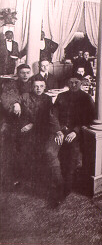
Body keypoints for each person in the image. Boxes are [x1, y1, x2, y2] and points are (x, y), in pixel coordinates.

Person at [19, 78, 65, 207]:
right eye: (35, 86)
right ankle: (35, 186)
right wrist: (16, 104)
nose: (38, 88)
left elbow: (49, 118)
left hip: (46, 131)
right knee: (29, 153)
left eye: (41, 86)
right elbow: (18, 107)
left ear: (45, 87)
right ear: (31, 87)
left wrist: (58, 131)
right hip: (31, 133)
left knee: (49, 153)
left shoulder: (47, 99)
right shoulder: (25, 96)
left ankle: (59, 189)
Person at [53, 73, 96, 198]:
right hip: (60, 131)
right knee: (52, 153)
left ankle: (66, 188)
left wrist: (75, 131)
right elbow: (53, 115)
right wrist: (58, 130)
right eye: (71, 82)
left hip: (77, 133)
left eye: (76, 82)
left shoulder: (86, 98)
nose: (73, 85)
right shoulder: (61, 96)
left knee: (72, 156)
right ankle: (57, 182)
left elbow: (90, 117)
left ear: (81, 83)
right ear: (67, 82)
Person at [0, 64, 32, 187]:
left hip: (28, 120)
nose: (25, 75)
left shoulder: (32, 85)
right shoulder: (10, 85)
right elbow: (6, 99)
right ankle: (10, 177)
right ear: (17, 73)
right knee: (9, 144)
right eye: (22, 72)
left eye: (28, 72)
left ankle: (25, 176)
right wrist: (15, 103)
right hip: (12, 120)